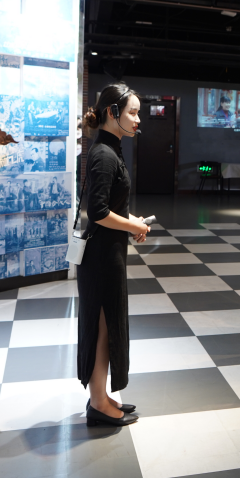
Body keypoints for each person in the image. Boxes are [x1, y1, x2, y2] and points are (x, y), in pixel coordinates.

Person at [76, 84, 149, 427]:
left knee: (105, 327)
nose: (137, 119)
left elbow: (110, 208)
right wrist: (132, 225)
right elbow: (99, 212)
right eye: (132, 112)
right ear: (112, 112)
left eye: (138, 113)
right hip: (102, 256)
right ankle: (98, 403)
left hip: (108, 251)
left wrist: (132, 224)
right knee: (103, 329)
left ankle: (102, 397)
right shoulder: (105, 154)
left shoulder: (109, 149)